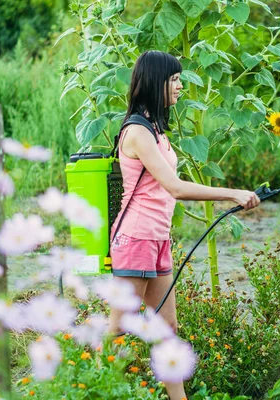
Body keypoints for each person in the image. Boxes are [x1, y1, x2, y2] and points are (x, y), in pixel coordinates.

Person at [107, 50, 260, 400]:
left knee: (167, 329)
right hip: (136, 239)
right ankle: (95, 389)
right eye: (174, 80)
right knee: (117, 331)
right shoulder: (137, 132)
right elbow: (174, 187)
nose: (180, 86)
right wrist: (232, 193)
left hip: (157, 239)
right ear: (155, 82)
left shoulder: (157, 130)